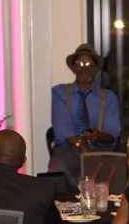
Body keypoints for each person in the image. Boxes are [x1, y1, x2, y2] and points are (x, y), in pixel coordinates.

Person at [48, 44, 121, 191]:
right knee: (58, 168)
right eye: (80, 63)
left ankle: (94, 197)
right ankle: (73, 197)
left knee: (109, 172)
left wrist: (98, 136)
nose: (84, 68)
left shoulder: (108, 97)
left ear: (96, 68)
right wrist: (81, 145)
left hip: (99, 147)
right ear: (74, 68)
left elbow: (113, 133)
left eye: (89, 63)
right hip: (68, 148)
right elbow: (62, 128)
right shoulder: (60, 92)